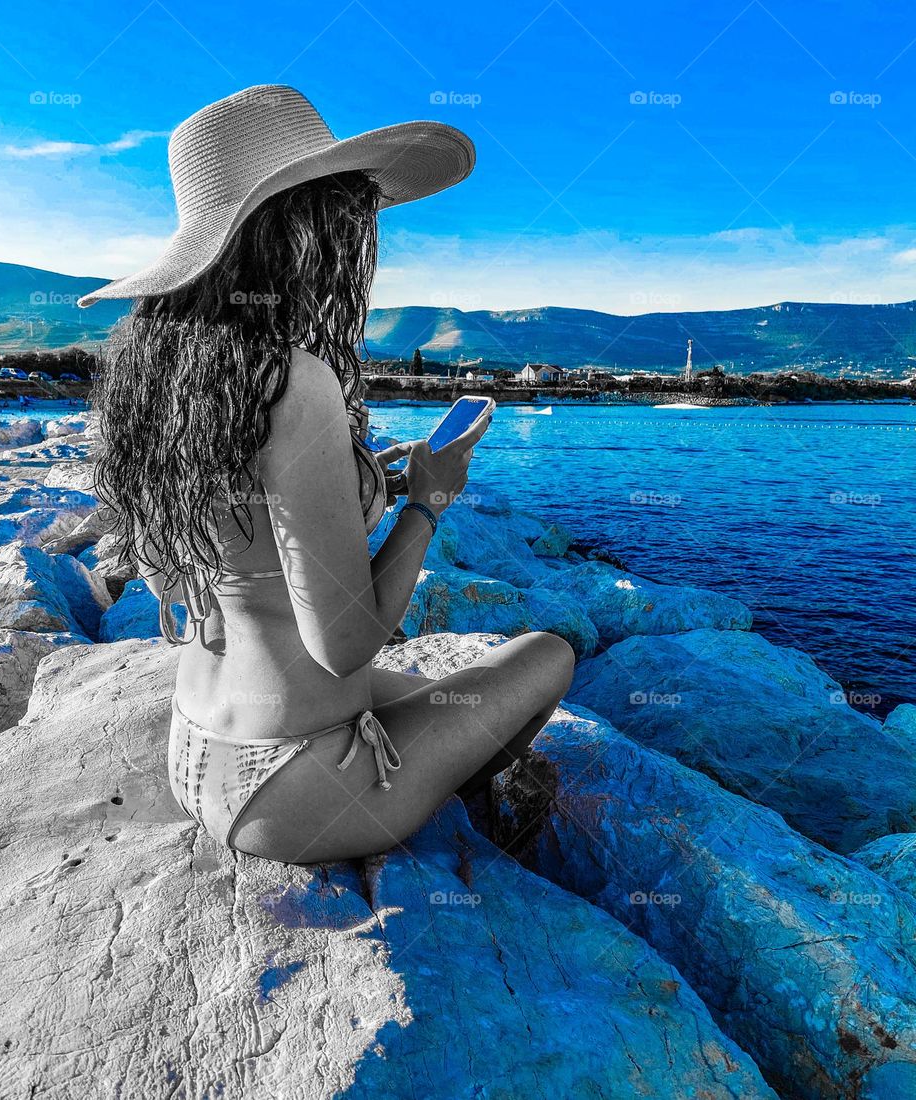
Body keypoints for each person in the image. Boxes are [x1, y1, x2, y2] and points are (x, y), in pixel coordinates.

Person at [81, 85, 574, 865]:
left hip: (199, 746)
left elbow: (225, 544)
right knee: (547, 654)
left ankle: (440, 777)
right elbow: (344, 644)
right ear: (296, 225)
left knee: (437, 687)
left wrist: (356, 480)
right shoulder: (293, 380)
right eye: (348, 206)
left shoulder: (156, 368)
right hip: (295, 782)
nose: (362, 227)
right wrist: (427, 505)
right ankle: (467, 811)